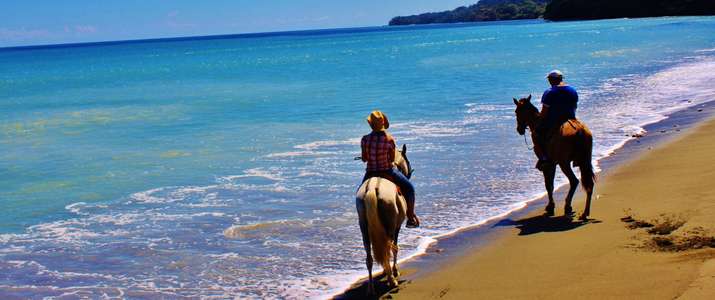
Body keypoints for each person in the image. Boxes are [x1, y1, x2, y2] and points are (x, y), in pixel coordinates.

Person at [360, 110, 420, 228]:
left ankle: (363, 218)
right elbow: (392, 159)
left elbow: (364, 159)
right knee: (410, 189)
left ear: (371, 124)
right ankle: (411, 217)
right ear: (383, 123)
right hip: (387, 171)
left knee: (360, 194)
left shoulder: (365, 139)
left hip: (370, 173)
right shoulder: (389, 139)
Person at [534, 70, 579, 170]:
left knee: (537, 134)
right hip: (572, 118)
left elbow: (544, 113)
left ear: (551, 80)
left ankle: (544, 159)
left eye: (549, 79)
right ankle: (578, 157)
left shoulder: (549, 92)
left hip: (555, 121)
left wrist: (539, 120)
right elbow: (575, 107)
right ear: (561, 79)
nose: (549, 82)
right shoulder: (572, 90)